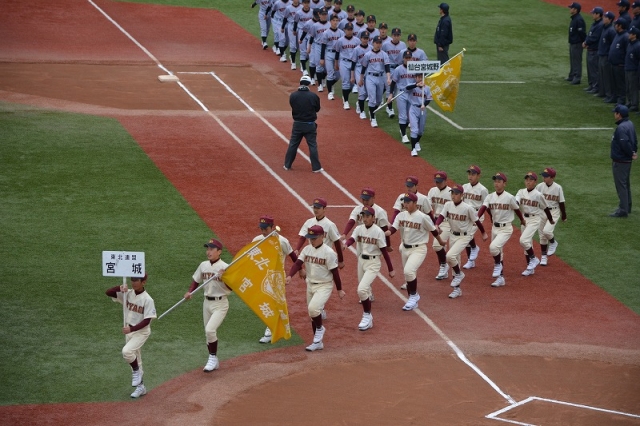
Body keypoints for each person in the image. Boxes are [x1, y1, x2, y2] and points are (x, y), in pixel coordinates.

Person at [286, 225, 345, 351]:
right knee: (312, 314)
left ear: (322, 237)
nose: (311, 241)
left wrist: (339, 290)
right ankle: (317, 342)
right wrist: (290, 276)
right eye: (310, 238)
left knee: (313, 309)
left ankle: (320, 329)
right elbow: (297, 263)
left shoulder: (329, 252)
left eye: (314, 238)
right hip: (310, 284)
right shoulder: (307, 249)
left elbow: (335, 272)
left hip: (324, 285)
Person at [385, 192, 445, 311]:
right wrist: (386, 233)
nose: (405, 204)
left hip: (419, 249)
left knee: (408, 271)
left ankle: (413, 296)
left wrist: (440, 241)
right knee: (408, 274)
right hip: (405, 248)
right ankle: (412, 300)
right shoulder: (401, 215)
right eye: (405, 202)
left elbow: (433, 230)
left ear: (415, 203)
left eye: (408, 202)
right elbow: (393, 229)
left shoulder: (423, 217)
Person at [343, 206, 394, 330]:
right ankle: (368, 311)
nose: (364, 219)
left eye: (367, 216)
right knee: (363, 290)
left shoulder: (378, 232)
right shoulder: (359, 228)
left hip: (373, 263)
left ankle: (367, 316)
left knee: (361, 290)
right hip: (361, 261)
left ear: (373, 218)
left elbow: (384, 251)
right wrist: (346, 244)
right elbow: (352, 239)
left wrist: (391, 269)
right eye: (363, 216)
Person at [184, 238, 231, 372]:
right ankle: (214, 360)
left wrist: (223, 277)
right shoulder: (203, 265)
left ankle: (212, 357)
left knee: (210, 330)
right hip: (207, 303)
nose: (208, 252)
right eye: (207, 249)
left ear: (219, 252)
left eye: (211, 249)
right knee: (208, 334)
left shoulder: (226, 267)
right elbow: (196, 280)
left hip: (220, 303)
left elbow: (231, 287)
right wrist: (190, 292)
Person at [105, 274, 156, 398]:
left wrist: (131, 329)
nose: (133, 283)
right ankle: (141, 387)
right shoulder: (127, 293)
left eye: (136, 280)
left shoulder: (148, 299)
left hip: (141, 332)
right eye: (132, 280)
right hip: (129, 331)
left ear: (143, 282)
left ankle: (136, 372)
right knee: (136, 359)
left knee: (127, 352)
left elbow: (147, 320)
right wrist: (119, 287)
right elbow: (108, 292)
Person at [434, 184, 487, 298]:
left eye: (456, 194)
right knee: (455, 260)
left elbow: (477, 221)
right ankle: (457, 290)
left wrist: (483, 233)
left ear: (462, 195)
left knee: (450, 256)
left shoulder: (468, 208)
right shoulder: (448, 205)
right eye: (452, 193)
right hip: (453, 235)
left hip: (464, 237)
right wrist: (437, 225)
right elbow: (441, 216)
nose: (453, 196)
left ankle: (459, 273)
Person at [476, 173, 526, 287]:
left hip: (506, 228)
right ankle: (500, 278)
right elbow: (483, 208)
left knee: (493, 247)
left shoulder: (509, 197)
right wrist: (477, 217)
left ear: (504, 184)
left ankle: (498, 264)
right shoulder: (490, 196)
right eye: (495, 181)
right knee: (499, 252)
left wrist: (522, 220)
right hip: (495, 228)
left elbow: (517, 209)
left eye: (499, 181)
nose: (496, 184)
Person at [254, 215, 298, 343]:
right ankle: (278, 325)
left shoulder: (282, 241)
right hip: (263, 276)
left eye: (266, 229)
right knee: (267, 301)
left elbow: (293, 256)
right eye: (261, 229)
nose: (263, 232)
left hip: (277, 277)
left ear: (272, 227)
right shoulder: (257, 240)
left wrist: (299, 270)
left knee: (276, 302)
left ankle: (270, 329)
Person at [515, 172, 555, 276]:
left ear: (535, 182)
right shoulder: (521, 192)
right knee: (527, 244)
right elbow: (516, 202)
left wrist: (550, 220)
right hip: (524, 219)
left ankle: (533, 259)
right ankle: (530, 268)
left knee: (523, 240)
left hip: (534, 219)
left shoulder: (538, 195)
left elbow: (546, 208)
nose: (528, 182)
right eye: (527, 180)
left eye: (531, 180)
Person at [283, 74, 324, 172]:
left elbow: (293, 106)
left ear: (300, 83)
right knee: (312, 145)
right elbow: (317, 109)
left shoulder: (293, 95)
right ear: (309, 84)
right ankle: (316, 167)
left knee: (293, 144)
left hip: (297, 124)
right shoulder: (313, 96)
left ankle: (287, 165)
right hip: (310, 125)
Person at [610, 104, 638, 217]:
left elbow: (624, 143)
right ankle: (627, 206)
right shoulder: (630, 124)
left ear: (619, 115)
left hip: (621, 160)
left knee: (621, 185)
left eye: (615, 112)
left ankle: (623, 210)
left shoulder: (621, 128)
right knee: (625, 184)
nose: (614, 114)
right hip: (626, 160)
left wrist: (631, 153)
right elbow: (635, 140)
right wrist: (634, 152)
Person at [536, 167, 567, 266]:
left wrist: (564, 215)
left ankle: (553, 242)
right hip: (541, 212)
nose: (544, 178)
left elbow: (561, 202)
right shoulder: (539, 186)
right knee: (542, 236)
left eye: (546, 176)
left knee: (547, 231)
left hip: (554, 212)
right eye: (543, 176)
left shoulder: (558, 188)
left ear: (552, 178)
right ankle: (543, 256)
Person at [359, 35, 391, 128]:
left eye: (380, 43)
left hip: (380, 77)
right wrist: (361, 79)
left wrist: (388, 78)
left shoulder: (384, 54)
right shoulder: (368, 55)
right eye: (377, 42)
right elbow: (363, 68)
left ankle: (372, 111)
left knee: (379, 100)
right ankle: (373, 119)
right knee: (372, 98)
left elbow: (387, 68)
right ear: (373, 43)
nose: (378, 44)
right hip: (370, 77)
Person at [461, 165, 488, 269]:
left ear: (478, 176)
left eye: (473, 174)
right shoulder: (464, 187)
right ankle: (471, 260)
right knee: (464, 235)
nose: (470, 176)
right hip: (466, 215)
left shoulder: (483, 189)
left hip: (477, 215)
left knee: (468, 234)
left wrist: (490, 216)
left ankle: (473, 249)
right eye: (469, 174)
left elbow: (486, 205)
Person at [428, 171, 452, 281]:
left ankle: (444, 265)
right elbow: (428, 207)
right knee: (440, 246)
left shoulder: (451, 192)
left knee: (437, 246)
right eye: (436, 181)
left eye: (440, 181)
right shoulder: (432, 191)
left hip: (447, 222)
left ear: (445, 181)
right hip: (436, 221)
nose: (438, 183)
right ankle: (444, 271)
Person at [388, 50, 415, 144]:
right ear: (403, 59)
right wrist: (391, 94)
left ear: (412, 58)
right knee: (403, 116)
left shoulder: (415, 68)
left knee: (409, 116)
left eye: (409, 58)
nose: (408, 59)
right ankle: (404, 135)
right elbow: (393, 82)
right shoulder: (398, 69)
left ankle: (402, 129)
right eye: (406, 58)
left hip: (411, 94)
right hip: (401, 93)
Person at [405, 73, 433, 157]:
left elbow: (429, 99)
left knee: (421, 130)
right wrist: (416, 85)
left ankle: (417, 142)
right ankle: (413, 149)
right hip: (413, 108)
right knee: (414, 130)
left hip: (422, 110)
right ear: (415, 78)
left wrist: (424, 104)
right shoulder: (412, 86)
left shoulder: (427, 88)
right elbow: (407, 88)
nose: (420, 79)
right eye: (418, 77)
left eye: (421, 77)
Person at [383, 27, 407, 120]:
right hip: (390, 68)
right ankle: (389, 108)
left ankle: (400, 108)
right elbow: (383, 56)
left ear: (400, 36)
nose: (396, 37)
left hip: (400, 68)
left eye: (398, 35)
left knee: (399, 88)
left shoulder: (403, 45)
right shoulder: (386, 45)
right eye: (394, 35)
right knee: (389, 88)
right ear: (392, 35)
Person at [319, 13, 344, 100]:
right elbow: (323, 46)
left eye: (337, 20)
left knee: (338, 75)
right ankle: (330, 93)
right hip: (329, 53)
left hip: (339, 55)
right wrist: (322, 58)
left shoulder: (341, 33)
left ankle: (330, 84)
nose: (335, 22)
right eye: (333, 20)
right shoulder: (326, 33)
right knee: (330, 73)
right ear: (330, 21)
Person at [334, 22, 358, 109]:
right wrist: (336, 63)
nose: (349, 31)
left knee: (352, 83)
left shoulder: (357, 40)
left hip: (354, 63)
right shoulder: (340, 41)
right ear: (344, 30)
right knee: (345, 82)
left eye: (351, 29)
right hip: (344, 62)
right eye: (348, 29)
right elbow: (337, 52)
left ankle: (345, 96)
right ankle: (346, 102)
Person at [583, 7, 604, 93]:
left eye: (593, 13)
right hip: (590, 49)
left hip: (594, 50)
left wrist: (586, 42)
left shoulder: (600, 25)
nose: (592, 14)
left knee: (594, 70)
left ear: (598, 14)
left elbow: (595, 38)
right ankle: (591, 85)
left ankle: (596, 87)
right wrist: (586, 41)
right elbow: (589, 35)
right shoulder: (595, 24)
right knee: (590, 69)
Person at [609, 18, 629, 105]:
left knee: (620, 84)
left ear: (620, 26)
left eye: (616, 24)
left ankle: (621, 99)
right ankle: (615, 97)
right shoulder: (618, 34)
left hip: (620, 65)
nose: (615, 26)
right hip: (614, 64)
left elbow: (627, 51)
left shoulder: (625, 37)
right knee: (614, 83)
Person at [352, 31, 371, 118]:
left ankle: (359, 102)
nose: (365, 40)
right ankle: (362, 111)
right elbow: (353, 63)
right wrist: (352, 76)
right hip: (359, 70)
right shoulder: (356, 49)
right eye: (364, 38)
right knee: (362, 92)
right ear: (361, 39)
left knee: (368, 92)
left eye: (367, 38)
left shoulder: (371, 48)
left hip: (369, 70)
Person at [599, 11, 617, 101]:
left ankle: (609, 95)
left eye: (605, 17)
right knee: (602, 75)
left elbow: (612, 45)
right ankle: (604, 93)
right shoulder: (605, 28)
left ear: (610, 20)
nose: (603, 18)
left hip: (606, 56)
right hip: (602, 54)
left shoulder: (611, 30)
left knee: (607, 76)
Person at [567, 2, 587, 85]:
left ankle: (577, 77)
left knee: (576, 60)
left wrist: (584, 42)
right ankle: (572, 75)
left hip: (577, 43)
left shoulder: (579, 19)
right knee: (573, 60)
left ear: (575, 10)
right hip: (573, 42)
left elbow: (582, 33)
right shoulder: (574, 18)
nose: (570, 9)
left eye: (571, 8)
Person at [282, 0, 302, 69]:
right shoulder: (288, 8)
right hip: (291, 26)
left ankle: (291, 56)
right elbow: (285, 18)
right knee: (293, 45)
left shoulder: (301, 7)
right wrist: (282, 27)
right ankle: (293, 63)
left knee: (298, 45)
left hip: (299, 27)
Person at [625, 26, 640, 111]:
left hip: (633, 70)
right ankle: (629, 102)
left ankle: (634, 104)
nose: (628, 34)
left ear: (634, 35)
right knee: (628, 87)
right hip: (628, 68)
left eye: (630, 33)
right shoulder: (630, 44)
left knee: (633, 87)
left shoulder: (638, 46)